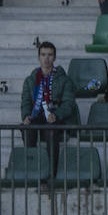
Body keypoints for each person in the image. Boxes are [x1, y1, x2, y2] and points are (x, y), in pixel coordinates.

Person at [20, 42, 76, 175]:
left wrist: (56, 115)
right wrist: (26, 116)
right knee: (27, 128)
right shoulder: (30, 80)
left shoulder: (65, 80)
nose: (46, 58)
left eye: (50, 55)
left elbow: (69, 104)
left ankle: (52, 172)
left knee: (50, 130)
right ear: (38, 57)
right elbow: (26, 102)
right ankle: (32, 169)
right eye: (43, 55)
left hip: (57, 116)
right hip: (37, 114)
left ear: (55, 58)